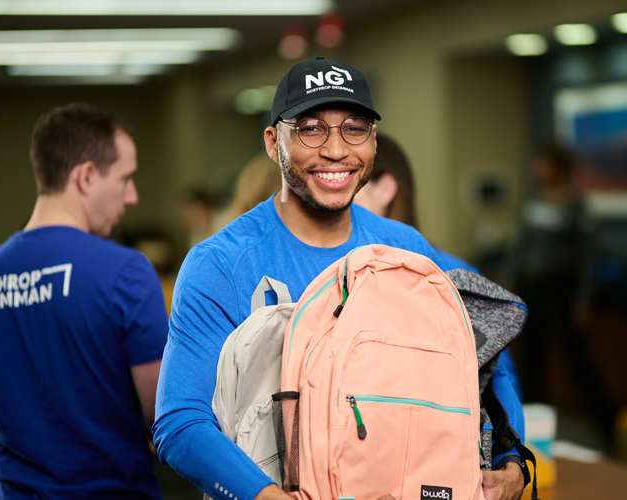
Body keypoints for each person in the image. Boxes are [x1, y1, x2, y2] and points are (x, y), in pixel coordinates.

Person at [153, 57, 529, 500]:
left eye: (354, 128)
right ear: (274, 142)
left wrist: (512, 462)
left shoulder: (405, 249)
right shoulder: (220, 264)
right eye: (311, 128)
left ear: (373, 140)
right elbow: (180, 423)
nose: (335, 150)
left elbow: (485, 366)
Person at [0, 103, 168, 500]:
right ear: (87, 177)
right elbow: (161, 412)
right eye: (125, 178)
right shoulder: (125, 270)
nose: (132, 196)